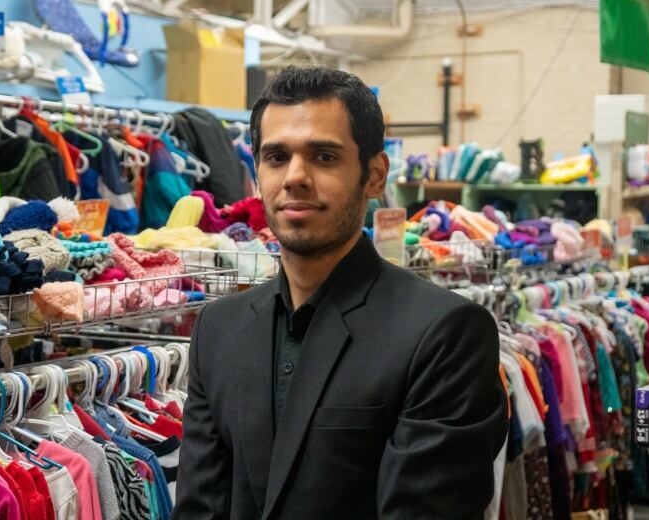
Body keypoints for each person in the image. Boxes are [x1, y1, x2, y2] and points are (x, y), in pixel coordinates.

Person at [173, 67, 508, 520]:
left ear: (374, 176)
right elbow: (200, 507)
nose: (295, 177)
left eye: (324, 156)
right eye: (276, 157)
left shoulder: (444, 333)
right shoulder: (219, 328)